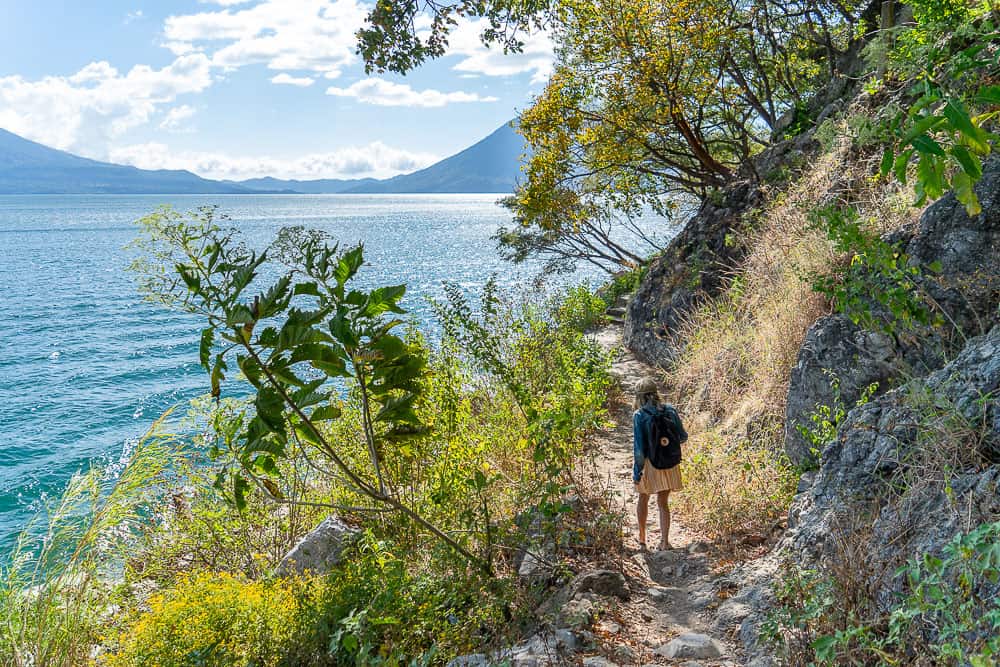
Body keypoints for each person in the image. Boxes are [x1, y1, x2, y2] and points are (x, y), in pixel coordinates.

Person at [632, 376, 686, 550]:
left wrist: (636, 473)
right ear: (655, 393)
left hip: (649, 464)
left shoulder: (639, 415)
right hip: (669, 462)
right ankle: (665, 541)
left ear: (639, 396)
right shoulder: (670, 410)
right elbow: (683, 437)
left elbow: (639, 450)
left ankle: (642, 539)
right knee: (663, 502)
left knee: (643, 498)